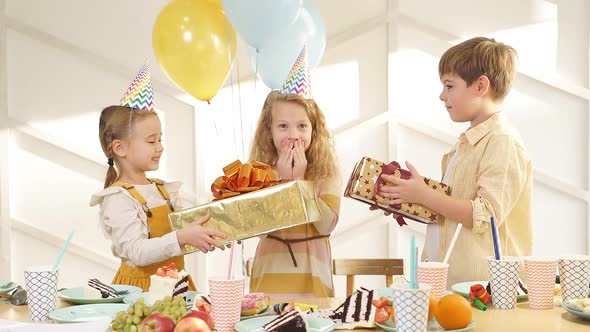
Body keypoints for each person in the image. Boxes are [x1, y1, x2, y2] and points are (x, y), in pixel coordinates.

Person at [375, 37, 533, 284]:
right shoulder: (465, 145)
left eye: (449, 86)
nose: (442, 95)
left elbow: (485, 216)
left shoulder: (502, 142)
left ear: (481, 86)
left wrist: (424, 195)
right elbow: (452, 209)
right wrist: (408, 197)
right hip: (455, 285)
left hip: (487, 292)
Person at [90, 63, 226, 291]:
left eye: (160, 139)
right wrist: (182, 237)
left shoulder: (164, 190)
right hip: (141, 292)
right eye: (151, 141)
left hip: (175, 285)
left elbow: (182, 233)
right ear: (120, 148)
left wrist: (223, 228)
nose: (160, 147)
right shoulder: (118, 197)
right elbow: (138, 252)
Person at [249, 48, 341, 297]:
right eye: (283, 126)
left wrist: (299, 182)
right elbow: (256, 227)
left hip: (312, 274)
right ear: (269, 131)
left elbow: (326, 226)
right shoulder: (258, 172)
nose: (293, 135)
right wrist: (280, 180)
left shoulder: (325, 173)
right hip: (270, 272)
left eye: (302, 126)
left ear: (314, 130)